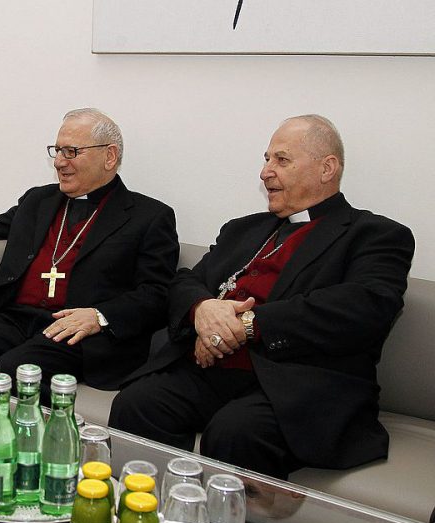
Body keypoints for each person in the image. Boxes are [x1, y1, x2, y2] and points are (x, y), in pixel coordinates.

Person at [109, 115, 415, 479]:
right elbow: (186, 281)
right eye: (267, 159)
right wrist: (203, 310)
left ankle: (227, 519)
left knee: (236, 431)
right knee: (138, 403)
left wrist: (246, 325)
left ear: (327, 168)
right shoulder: (243, 229)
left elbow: (366, 307)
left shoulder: (375, 235)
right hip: (212, 370)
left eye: (281, 160)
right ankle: (154, 512)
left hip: (299, 384)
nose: (265, 172)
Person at [0, 108, 178, 399]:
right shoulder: (38, 199)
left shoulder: (149, 216)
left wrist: (99, 316)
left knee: (18, 371)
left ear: (109, 156)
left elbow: (157, 292)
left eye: (71, 152)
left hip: (77, 331)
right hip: (17, 317)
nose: (59, 162)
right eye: (57, 151)